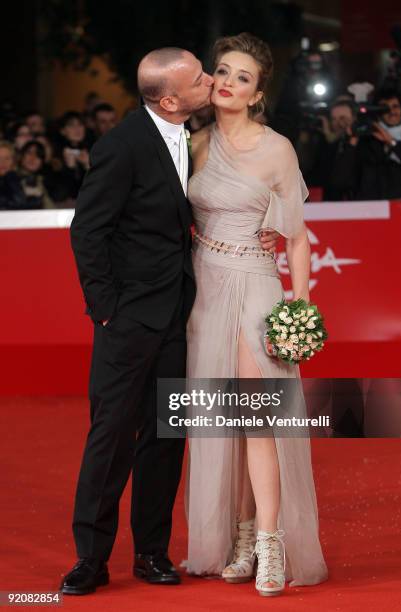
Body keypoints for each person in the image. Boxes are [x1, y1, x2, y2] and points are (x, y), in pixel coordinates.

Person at [60, 47, 216, 596]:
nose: (211, 81)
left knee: (165, 436)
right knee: (111, 438)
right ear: (170, 98)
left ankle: (152, 552)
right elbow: (88, 231)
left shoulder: (198, 141)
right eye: (201, 78)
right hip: (127, 320)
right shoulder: (121, 146)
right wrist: (107, 309)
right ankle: (90, 558)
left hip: (177, 314)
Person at [185, 33, 328, 596]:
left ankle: (272, 543)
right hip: (204, 287)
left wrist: (301, 305)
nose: (228, 82)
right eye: (222, 70)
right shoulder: (194, 145)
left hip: (255, 285)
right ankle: (241, 539)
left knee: (257, 417)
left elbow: (297, 238)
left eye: (242, 76)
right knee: (223, 420)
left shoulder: (277, 149)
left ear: (258, 92)